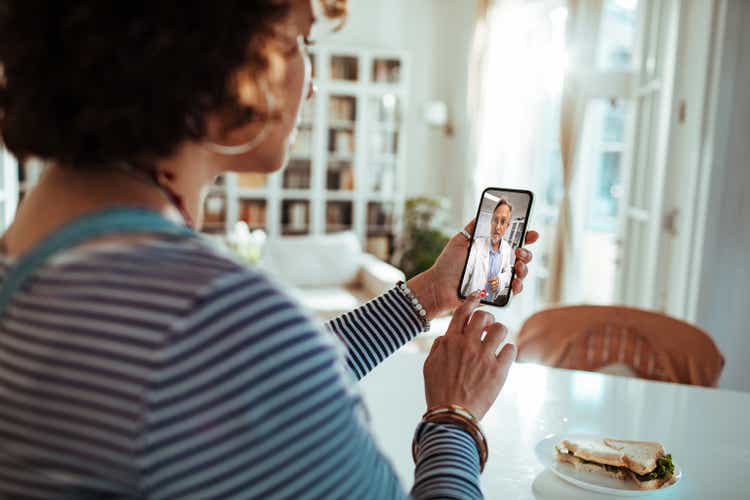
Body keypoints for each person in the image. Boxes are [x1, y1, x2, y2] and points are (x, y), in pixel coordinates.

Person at [0, 1, 538, 498]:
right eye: (296, 40)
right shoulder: (209, 319)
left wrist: (426, 296)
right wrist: (455, 417)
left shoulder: (38, 256)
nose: (311, 85)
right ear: (210, 58)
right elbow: (246, 363)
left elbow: (260, 393)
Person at [461, 198, 516, 302]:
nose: (498, 227)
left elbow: (508, 272)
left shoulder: (507, 249)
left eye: (503, 222)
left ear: (507, 226)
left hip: (490, 302)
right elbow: (465, 273)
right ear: (491, 222)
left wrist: (501, 280)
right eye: (495, 220)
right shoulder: (477, 244)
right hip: (471, 302)